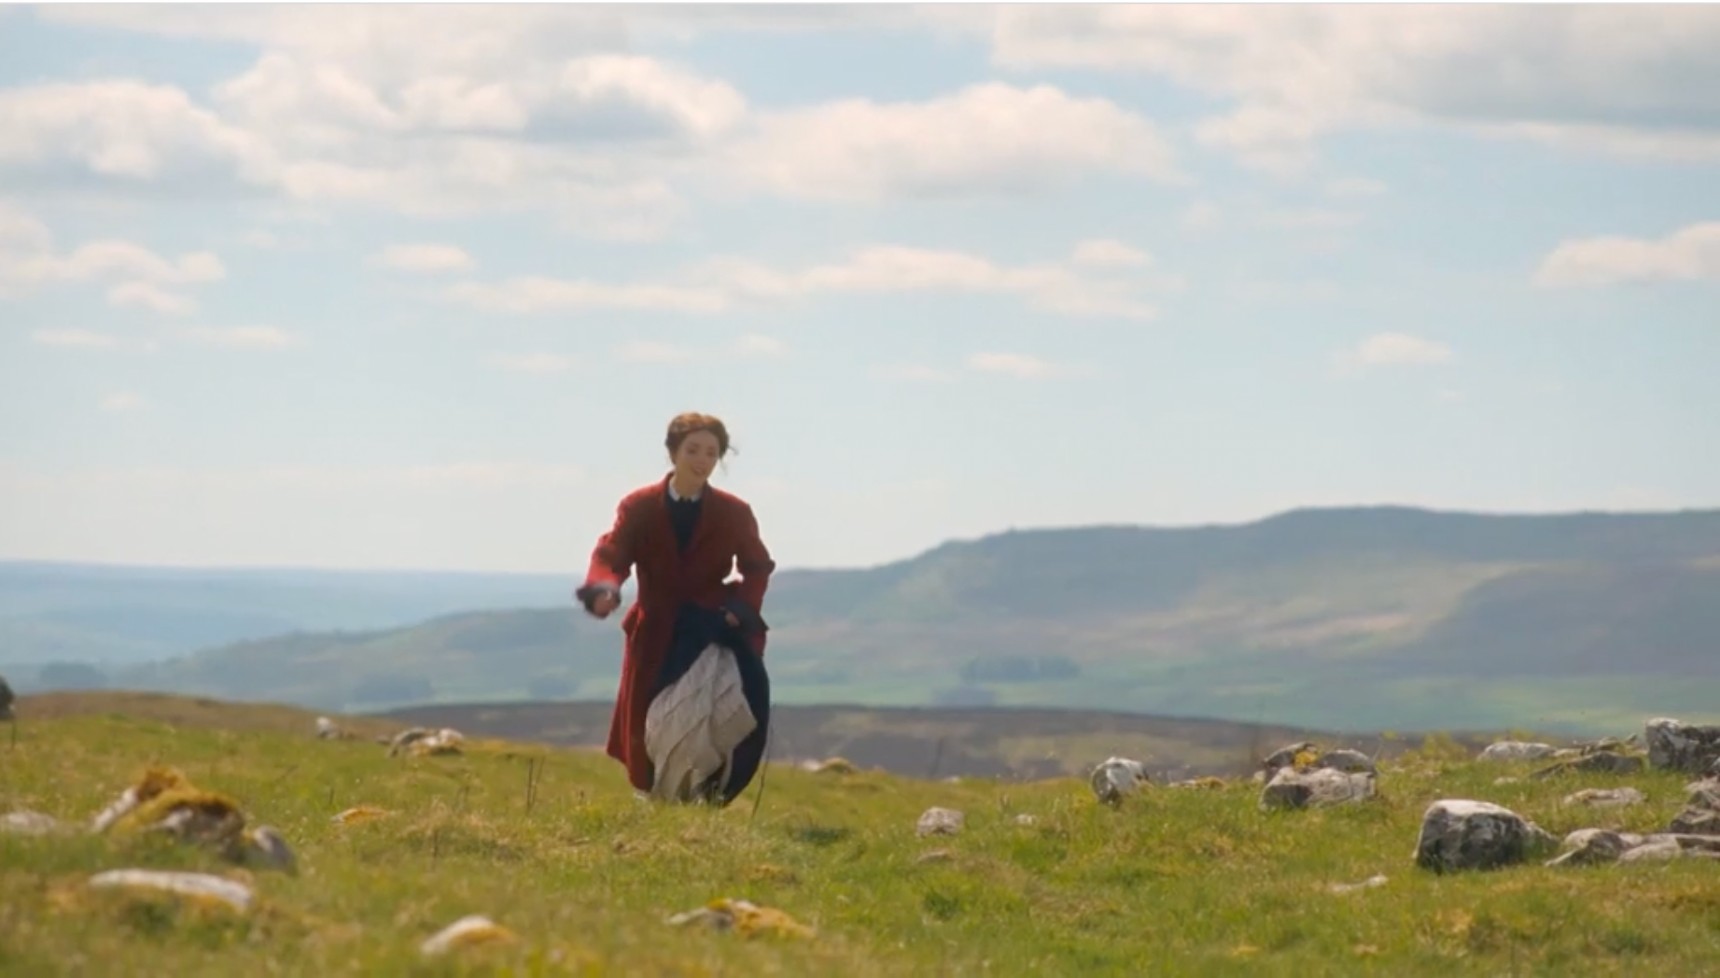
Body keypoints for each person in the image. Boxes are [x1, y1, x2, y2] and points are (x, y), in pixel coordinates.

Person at [576, 411, 776, 805]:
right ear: (673, 452)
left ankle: (702, 798)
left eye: (711, 453)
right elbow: (612, 552)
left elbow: (757, 567)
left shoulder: (734, 512)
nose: (702, 460)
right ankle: (656, 803)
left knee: (711, 714)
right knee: (650, 721)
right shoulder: (640, 506)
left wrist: (740, 608)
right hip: (655, 632)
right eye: (693, 450)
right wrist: (604, 588)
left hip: (711, 631)